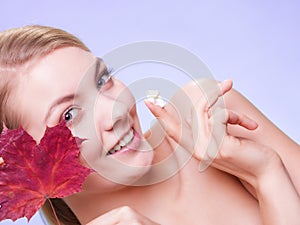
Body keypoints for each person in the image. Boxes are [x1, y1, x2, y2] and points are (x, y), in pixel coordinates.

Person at [0, 25, 299, 225]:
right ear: (24, 173)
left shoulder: (210, 118)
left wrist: (266, 171)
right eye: (69, 115)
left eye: (103, 80)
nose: (116, 110)